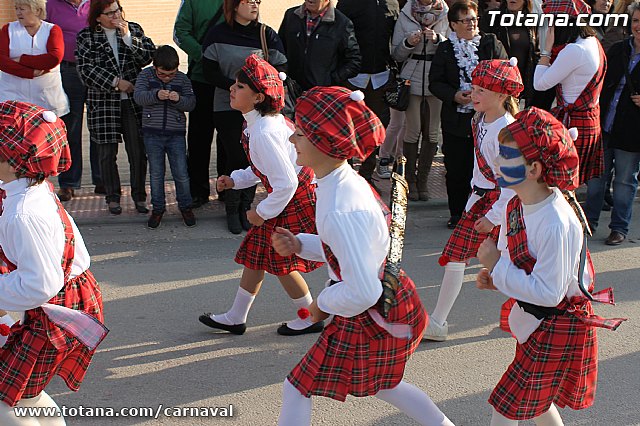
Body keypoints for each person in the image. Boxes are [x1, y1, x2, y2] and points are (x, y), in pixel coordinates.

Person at [272, 86, 453, 426]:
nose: (292, 139)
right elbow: (350, 252)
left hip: (374, 310)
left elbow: (362, 290)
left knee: (298, 387)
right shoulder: (340, 182)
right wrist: (300, 245)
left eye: (300, 132)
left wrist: (321, 303)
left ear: (324, 142)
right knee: (385, 385)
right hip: (386, 302)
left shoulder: (340, 205)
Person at [475, 106, 625, 426]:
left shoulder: (556, 221)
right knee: (536, 403)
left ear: (533, 169)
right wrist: (497, 278)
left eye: (506, 155)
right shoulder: (517, 202)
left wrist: (498, 266)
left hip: (554, 322)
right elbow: (518, 264)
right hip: (536, 319)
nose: (497, 161)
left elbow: (549, 292)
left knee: (507, 405)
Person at [198, 55, 323, 336]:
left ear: (257, 97)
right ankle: (236, 316)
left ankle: (310, 316)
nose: (232, 89)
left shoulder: (264, 132)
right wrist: (235, 180)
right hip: (289, 198)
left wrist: (261, 212)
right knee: (256, 257)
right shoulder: (263, 124)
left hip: (291, 200)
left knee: (280, 262)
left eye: (240, 86)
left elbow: (286, 183)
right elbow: (264, 168)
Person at [0, 101, 107, 425]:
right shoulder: (31, 187)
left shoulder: (24, 213)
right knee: (26, 394)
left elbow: (38, 284)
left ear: (13, 159)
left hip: (57, 309)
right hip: (63, 299)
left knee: (6, 401)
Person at [424, 58, 520, 341]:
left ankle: (535, 311)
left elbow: (512, 184)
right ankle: (438, 322)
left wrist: (493, 217)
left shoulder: (506, 131)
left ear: (502, 94)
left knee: (513, 262)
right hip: (481, 199)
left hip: (498, 202)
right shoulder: (480, 119)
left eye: (481, 91)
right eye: (473, 88)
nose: (473, 95)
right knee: (466, 257)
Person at [201, 0, 287, 234]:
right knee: (236, 155)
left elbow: (280, 66)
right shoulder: (217, 33)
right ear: (234, 5)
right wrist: (238, 89)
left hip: (257, 108)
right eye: (248, 0)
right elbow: (208, 70)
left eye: (257, 1)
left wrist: (250, 91)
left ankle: (246, 208)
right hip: (227, 107)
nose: (254, 4)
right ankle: (231, 208)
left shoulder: (265, 34)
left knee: (253, 158)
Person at [429, 0, 507, 228]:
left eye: (473, 19)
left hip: (488, 117)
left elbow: (503, 71)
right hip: (457, 118)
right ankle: (458, 213)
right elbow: (435, 82)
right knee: (457, 168)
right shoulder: (445, 49)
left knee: (490, 167)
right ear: (453, 25)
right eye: (465, 20)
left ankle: (487, 213)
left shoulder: (490, 42)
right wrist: (454, 95)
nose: (471, 24)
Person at [76, 0, 155, 216]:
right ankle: (112, 197)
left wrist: (128, 38)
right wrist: (114, 82)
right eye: (109, 13)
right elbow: (85, 70)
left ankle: (139, 196)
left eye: (117, 11)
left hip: (132, 102)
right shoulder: (86, 36)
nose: (115, 16)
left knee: (138, 151)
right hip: (103, 103)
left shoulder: (134, 29)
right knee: (106, 152)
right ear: (98, 16)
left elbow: (148, 56)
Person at [584, 1, 640, 246]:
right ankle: (588, 224)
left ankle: (619, 228)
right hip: (604, 125)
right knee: (596, 179)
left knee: (624, 182)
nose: (639, 26)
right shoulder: (618, 49)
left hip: (633, 130)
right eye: (636, 20)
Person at [534, 0, 607, 185]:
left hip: (574, 123)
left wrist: (545, 51)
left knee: (564, 186)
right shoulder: (592, 42)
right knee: (573, 184)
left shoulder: (574, 50)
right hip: (588, 120)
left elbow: (539, 83)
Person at [337, 0, 399, 189]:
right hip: (353, 77)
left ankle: (366, 175)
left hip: (381, 76)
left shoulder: (392, 3)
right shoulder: (348, 3)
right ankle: (345, 176)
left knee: (376, 128)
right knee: (347, 128)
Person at [133, 45, 197, 229]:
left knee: (181, 173)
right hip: (152, 133)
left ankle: (185, 206)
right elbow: (139, 97)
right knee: (156, 174)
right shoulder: (145, 76)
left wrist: (178, 99)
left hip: (175, 134)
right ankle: (158, 209)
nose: (167, 78)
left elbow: (191, 103)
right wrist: (156, 95)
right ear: (155, 67)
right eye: (162, 74)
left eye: (171, 74)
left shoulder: (183, 79)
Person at [392, 0, 449, 201]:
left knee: (433, 132)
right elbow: (396, 53)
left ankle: (423, 180)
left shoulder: (445, 13)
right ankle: (410, 180)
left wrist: (437, 40)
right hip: (411, 77)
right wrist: (409, 42)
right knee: (412, 130)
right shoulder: (406, 13)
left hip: (437, 77)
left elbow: (452, 46)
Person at [47, 0, 103, 201]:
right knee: (71, 128)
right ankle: (68, 182)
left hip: (96, 70)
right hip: (68, 70)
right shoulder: (51, 5)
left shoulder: (97, 3)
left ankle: (102, 179)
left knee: (98, 124)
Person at [173, 0, 224, 209]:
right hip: (201, 78)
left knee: (229, 139)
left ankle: (227, 188)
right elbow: (180, 32)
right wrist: (204, 56)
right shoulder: (192, 2)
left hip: (229, 80)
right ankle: (198, 191)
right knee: (198, 139)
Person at [0, 0, 69, 116]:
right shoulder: (8, 29)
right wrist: (31, 72)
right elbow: (2, 60)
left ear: (37, 10)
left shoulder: (52, 30)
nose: (18, 13)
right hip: (12, 96)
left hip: (47, 99)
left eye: (22, 9)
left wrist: (22, 60)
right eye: (16, 8)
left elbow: (54, 58)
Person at [277, 0, 361, 91]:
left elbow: (354, 62)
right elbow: (280, 50)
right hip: (290, 90)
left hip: (321, 94)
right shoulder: (291, 16)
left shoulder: (342, 23)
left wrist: (331, 80)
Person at [481, 0, 539, 107]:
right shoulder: (492, 17)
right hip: (497, 83)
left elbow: (534, 52)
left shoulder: (531, 20)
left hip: (523, 85)